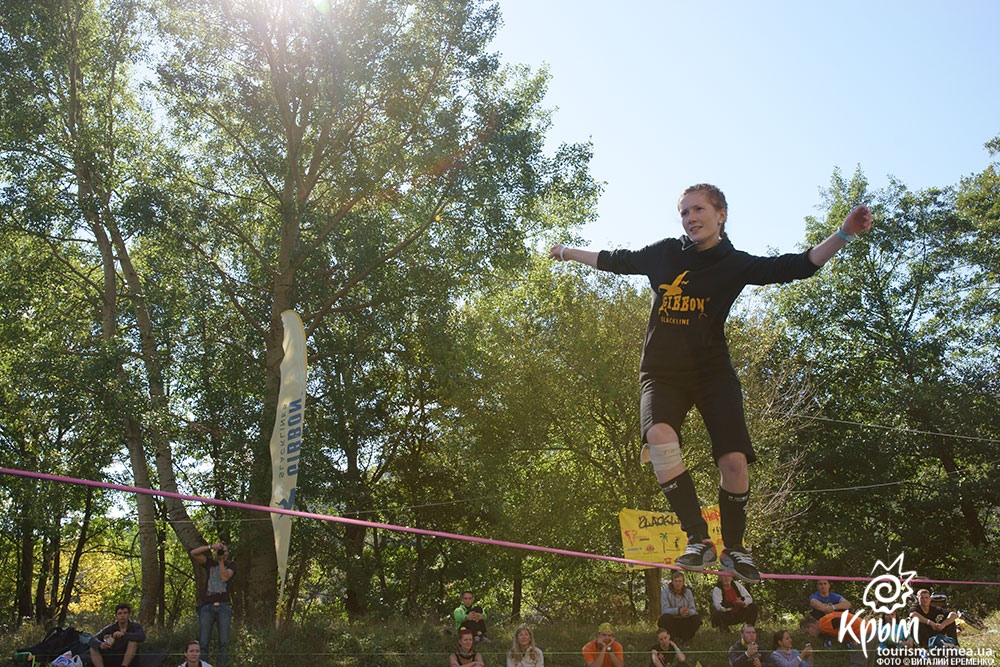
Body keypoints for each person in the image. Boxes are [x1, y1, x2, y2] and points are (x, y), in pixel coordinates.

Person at [550, 184, 872, 584]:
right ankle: (698, 539)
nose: (690, 219)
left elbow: (796, 266)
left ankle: (735, 548)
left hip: (712, 373)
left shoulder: (734, 263)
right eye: (684, 213)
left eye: (698, 210)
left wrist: (843, 234)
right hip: (663, 373)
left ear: (721, 214)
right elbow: (614, 260)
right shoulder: (665, 252)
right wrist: (567, 252)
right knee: (659, 436)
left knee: (733, 461)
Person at [190, 541, 236, 667]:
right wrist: (210, 547)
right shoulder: (209, 563)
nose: (222, 553)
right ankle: (203, 665)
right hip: (207, 607)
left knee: (223, 642)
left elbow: (225, 577)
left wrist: (221, 561)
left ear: (228, 553)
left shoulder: (231, 564)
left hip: (224, 607)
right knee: (203, 642)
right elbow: (193, 553)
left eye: (224, 551)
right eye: (220, 550)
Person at [799, 613, 876, 667]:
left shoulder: (822, 625)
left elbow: (840, 621)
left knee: (857, 664)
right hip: (871, 631)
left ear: (811, 626)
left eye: (807, 632)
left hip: (861, 634)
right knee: (868, 664)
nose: (809, 636)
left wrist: (853, 638)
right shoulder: (824, 623)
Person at [88, 603, 146, 667]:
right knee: (93, 648)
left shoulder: (135, 626)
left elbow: (142, 636)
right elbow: (92, 639)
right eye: (120, 613)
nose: (122, 616)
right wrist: (100, 644)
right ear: (116, 616)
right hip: (112, 657)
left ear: (129, 615)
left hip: (129, 659)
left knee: (133, 642)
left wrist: (124, 634)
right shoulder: (111, 628)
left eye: (125, 613)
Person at [659, 571, 702, 642]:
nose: (678, 583)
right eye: (675, 581)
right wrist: (678, 610)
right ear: (672, 582)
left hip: (685, 620)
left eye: (680, 581)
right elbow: (664, 610)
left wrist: (687, 612)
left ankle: (685, 639)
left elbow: (693, 610)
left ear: (683, 582)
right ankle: (671, 638)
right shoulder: (665, 592)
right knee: (664, 619)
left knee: (697, 619)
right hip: (672, 621)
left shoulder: (688, 592)